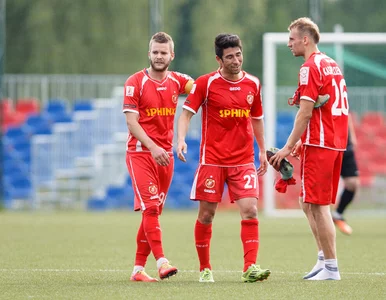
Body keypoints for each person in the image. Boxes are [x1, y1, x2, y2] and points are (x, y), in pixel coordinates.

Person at [177, 33, 271, 283]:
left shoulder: (253, 83)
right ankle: (205, 269)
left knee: (250, 210)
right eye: (229, 57)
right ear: (218, 59)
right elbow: (186, 114)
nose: (236, 60)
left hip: (243, 161)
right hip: (213, 161)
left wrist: (262, 150)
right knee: (207, 215)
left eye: (238, 54)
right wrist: (181, 139)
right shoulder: (205, 83)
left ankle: (250, 267)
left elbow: (257, 119)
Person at [269, 17, 349, 281]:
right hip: (333, 139)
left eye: (292, 39)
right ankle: (323, 259)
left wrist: (287, 147)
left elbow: (304, 113)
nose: (289, 43)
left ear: (305, 39)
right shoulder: (331, 63)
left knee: (318, 205)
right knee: (307, 201)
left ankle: (331, 268)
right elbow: (324, 106)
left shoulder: (309, 67)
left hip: (322, 142)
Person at [123, 32, 194, 282]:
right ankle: (162, 262)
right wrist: (153, 147)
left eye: (164, 52)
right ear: (149, 54)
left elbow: (200, 89)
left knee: (151, 214)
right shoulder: (135, 82)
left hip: (165, 158)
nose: (159, 56)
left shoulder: (178, 81)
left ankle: (137, 270)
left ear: (171, 56)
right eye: (155, 52)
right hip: (141, 154)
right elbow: (132, 123)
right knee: (151, 208)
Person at [332, 113, 360, 235]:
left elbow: (345, 113)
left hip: (345, 144)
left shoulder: (341, 93)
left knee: (352, 184)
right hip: (328, 144)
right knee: (321, 185)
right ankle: (320, 219)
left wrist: (352, 135)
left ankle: (338, 214)